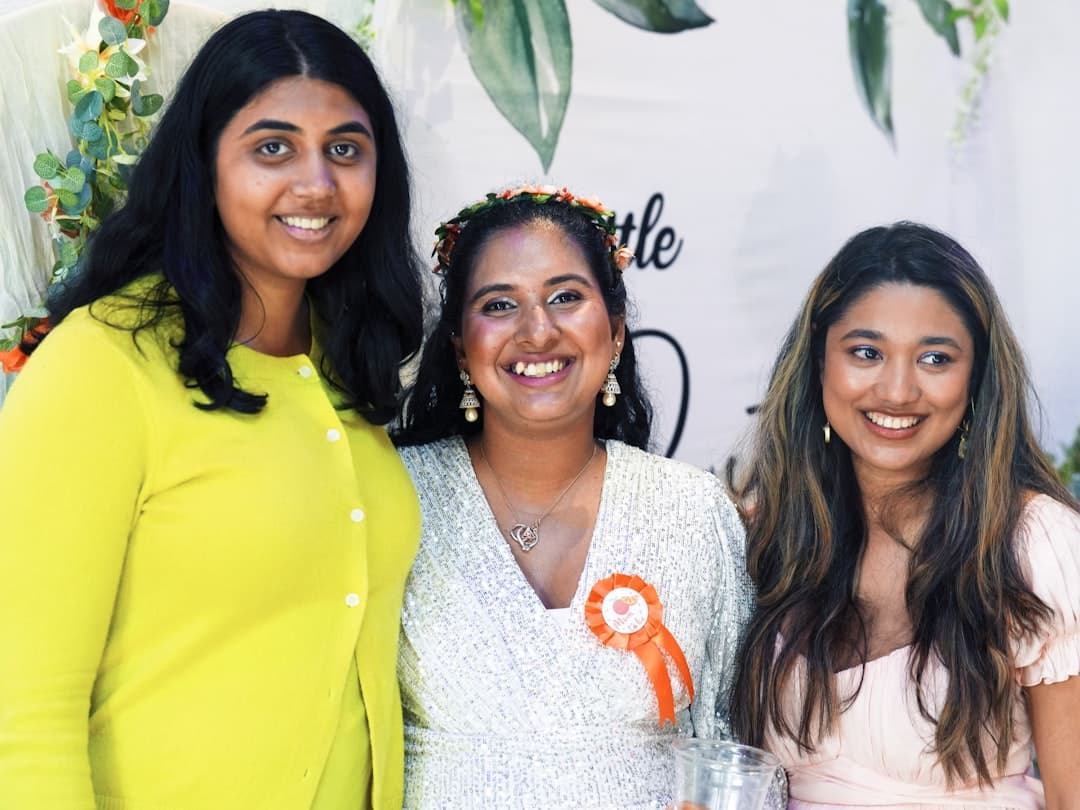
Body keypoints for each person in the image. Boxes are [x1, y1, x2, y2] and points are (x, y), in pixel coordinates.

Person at [0, 10, 424, 809]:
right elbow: (22, 712)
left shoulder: (348, 374)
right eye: (272, 148)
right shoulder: (101, 364)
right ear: (204, 165)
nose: (316, 184)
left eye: (346, 149)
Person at [393, 185, 777, 810]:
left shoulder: (692, 512)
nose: (537, 331)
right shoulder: (395, 496)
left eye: (566, 297)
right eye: (498, 304)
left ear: (616, 332)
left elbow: (733, 740)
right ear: (462, 347)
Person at [730, 222, 1080, 809]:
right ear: (819, 364)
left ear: (977, 380)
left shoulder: (1033, 543)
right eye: (866, 352)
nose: (896, 390)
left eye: (935, 359)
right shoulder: (770, 532)